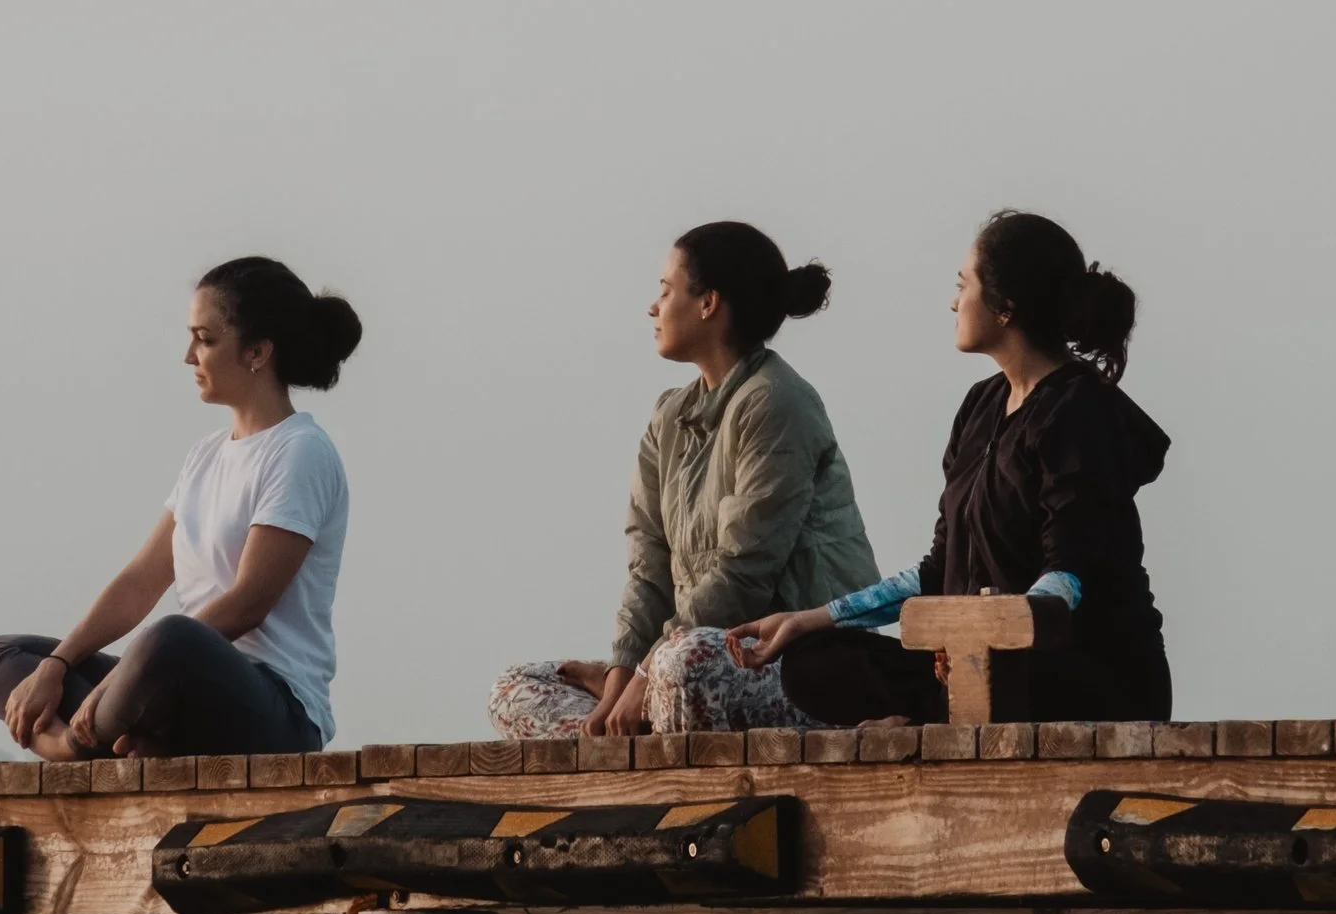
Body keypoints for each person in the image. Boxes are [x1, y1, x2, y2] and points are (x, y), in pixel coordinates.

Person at [729, 211, 1170, 727]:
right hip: (977, 663)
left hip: (1083, 673)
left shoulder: (1078, 412)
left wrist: (980, 640)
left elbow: (1067, 578)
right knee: (813, 662)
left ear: (1005, 308)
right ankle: (934, 712)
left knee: (987, 682)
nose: (953, 301)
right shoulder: (980, 406)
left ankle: (931, 716)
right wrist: (812, 619)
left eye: (964, 285)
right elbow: (938, 569)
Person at [490, 222, 879, 739]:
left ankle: (649, 717)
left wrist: (649, 672)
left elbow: (744, 573)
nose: (653, 306)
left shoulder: (775, 401)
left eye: (666, 290)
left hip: (801, 665)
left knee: (682, 666)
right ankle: (632, 728)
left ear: (708, 303)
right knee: (517, 687)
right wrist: (622, 671)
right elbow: (648, 566)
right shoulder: (669, 416)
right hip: (695, 659)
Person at [0, 257, 361, 760]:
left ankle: (74, 746)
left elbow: (247, 604)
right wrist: (59, 665)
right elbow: (139, 584)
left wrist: (123, 681)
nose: (189, 356)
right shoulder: (205, 456)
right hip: (172, 686)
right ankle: (124, 737)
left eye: (206, 339)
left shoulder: (301, 451)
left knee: (174, 637)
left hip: (274, 710)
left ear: (258, 351)